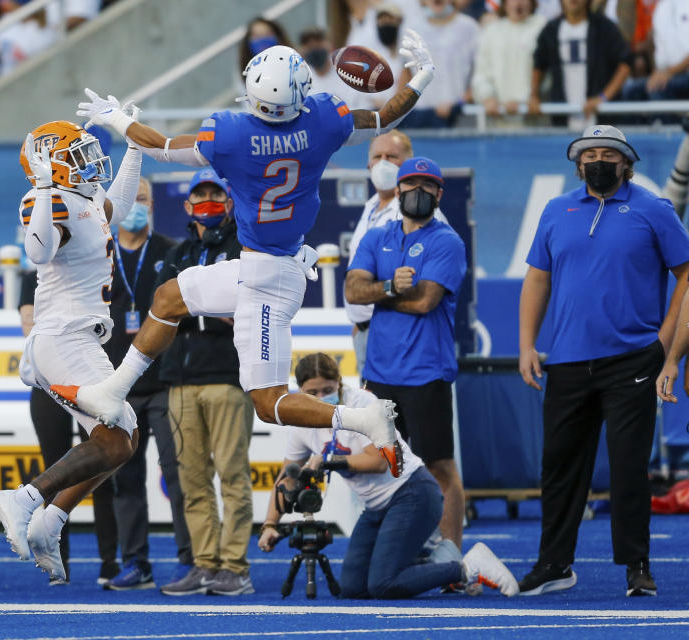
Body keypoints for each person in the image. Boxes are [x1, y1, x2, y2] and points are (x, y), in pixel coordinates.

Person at [53, 35, 442, 473]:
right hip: (268, 265)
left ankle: (364, 418)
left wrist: (118, 120)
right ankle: (113, 389)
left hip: (269, 281)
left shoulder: (233, 134)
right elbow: (384, 117)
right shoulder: (322, 121)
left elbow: (161, 147)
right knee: (168, 298)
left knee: (268, 403)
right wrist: (422, 78)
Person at [518, 125, 689, 597]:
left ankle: (637, 564)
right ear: (577, 163)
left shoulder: (653, 209)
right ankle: (554, 564)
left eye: (607, 154)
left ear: (626, 162)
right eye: (589, 153)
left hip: (632, 357)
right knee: (558, 465)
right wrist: (527, 344)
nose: (598, 160)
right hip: (568, 360)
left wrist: (665, 342)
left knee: (629, 466)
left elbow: (687, 273)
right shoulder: (556, 210)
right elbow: (537, 280)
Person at [0, 117, 142, 582]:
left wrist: (134, 145)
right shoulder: (40, 199)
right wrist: (44, 186)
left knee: (122, 442)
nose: (88, 161)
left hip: (81, 337)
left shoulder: (86, 198)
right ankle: (25, 500)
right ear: (49, 163)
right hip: (59, 336)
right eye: (75, 154)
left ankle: (49, 521)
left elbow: (121, 202)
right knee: (115, 436)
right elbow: (37, 252)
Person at [259, 354, 518, 599]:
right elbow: (287, 476)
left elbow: (379, 462)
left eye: (327, 390)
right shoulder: (303, 419)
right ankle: (425, 558)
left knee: (382, 584)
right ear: (300, 391)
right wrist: (270, 523)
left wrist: (328, 461)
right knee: (353, 587)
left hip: (412, 492)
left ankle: (467, 568)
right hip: (376, 507)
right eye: (311, 393)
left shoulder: (362, 403)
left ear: (339, 383)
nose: (320, 397)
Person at [344, 157, 468, 551]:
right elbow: (352, 291)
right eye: (410, 183)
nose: (418, 191)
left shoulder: (446, 241)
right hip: (379, 372)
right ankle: (398, 548)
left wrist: (380, 294)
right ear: (396, 190)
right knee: (384, 464)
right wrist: (392, 288)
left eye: (427, 185)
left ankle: (450, 553)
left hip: (425, 372)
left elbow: (426, 301)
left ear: (439, 194)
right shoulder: (375, 237)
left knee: (438, 467)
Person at [156, 168, 257, 597]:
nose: (208, 201)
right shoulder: (177, 254)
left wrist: (191, 306)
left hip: (228, 377)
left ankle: (234, 566)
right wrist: (202, 307)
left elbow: (241, 309)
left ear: (230, 200)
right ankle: (204, 562)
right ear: (187, 205)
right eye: (201, 195)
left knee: (232, 474)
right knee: (192, 479)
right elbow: (161, 310)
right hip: (179, 380)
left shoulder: (246, 249)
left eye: (217, 193)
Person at [102, 177, 193, 591]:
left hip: (162, 381)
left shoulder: (170, 251)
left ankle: (189, 559)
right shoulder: (98, 254)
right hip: (115, 386)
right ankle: (135, 561)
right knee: (124, 479)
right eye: (129, 200)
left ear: (154, 204)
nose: (137, 207)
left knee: (178, 475)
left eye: (143, 200)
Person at [18, 269, 119, 586]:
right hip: (50, 381)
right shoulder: (33, 275)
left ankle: (110, 562)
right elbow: (27, 325)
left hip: (90, 377)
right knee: (56, 469)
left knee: (103, 460)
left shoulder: (92, 268)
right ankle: (56, 559)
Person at [344, 130, 448, 378]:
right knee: (374, 411)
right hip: (366, 332)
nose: (383, 163)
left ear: (407, 165)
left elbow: (419, 285)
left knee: (398, 412)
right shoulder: (370, 206)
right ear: (368, 164)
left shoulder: (421, 214)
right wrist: (360, 323)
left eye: (392, 157)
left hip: (401, 332)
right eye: (378, 156)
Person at [529, 0, 631, 129]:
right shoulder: (551, 30)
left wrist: (603, 97)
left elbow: (625, 63)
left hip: (601, 120)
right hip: (563, 117)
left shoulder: (604, 27)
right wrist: (534, 95)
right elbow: (539, 65)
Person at [396, 0, 479, 129]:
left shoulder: (469, 27)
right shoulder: (411, 29)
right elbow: (405, 73)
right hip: (420, 116)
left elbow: (478, 72)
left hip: (458, 117)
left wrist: (460, 103)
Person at [470, 0, 546, 126]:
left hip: (534, 118)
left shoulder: (543, 27)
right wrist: (488, 97)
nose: (518, 4)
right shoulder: (491, 31)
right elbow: (481, 73)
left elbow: (548, 72)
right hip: (498, 118)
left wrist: (530, 98)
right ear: (505, 4)